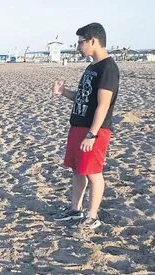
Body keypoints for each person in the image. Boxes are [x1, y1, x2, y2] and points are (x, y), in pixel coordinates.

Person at [51, 22, 120, 230]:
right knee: (78, 170)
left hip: (94, 130)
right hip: (78, 126)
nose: (78, 47)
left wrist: (92, 134)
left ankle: (92, 216)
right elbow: (83, 98)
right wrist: (63, 92)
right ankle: (75, 210)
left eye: (80, 42)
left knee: (93, 172)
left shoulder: (108, 68)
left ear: (93, 41)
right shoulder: (92, 67)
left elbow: (103, 105)